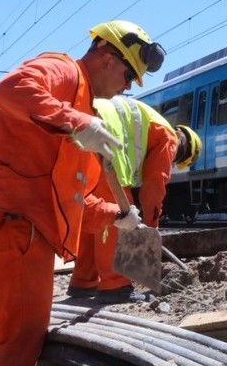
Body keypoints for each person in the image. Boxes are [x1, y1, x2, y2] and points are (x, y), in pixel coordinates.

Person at [0, 20, 164, 366]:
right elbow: (8, 89)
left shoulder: (82, 111)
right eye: (127, 76)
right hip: (11, 224)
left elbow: (69, 200)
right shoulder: (64, 72)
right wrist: (77, 122)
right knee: (21, 335)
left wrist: (115, 215)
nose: (126, 88)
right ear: (107, 58)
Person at [67, 96, 201, 303]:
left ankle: (84, 281)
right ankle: (115, 285)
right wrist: (150, 226)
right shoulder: (169, 139)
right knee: (121, 212)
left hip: (85, 127)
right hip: (103, 140)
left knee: (96, 214)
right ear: (184, 151)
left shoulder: (153, 125)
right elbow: (154, 189)